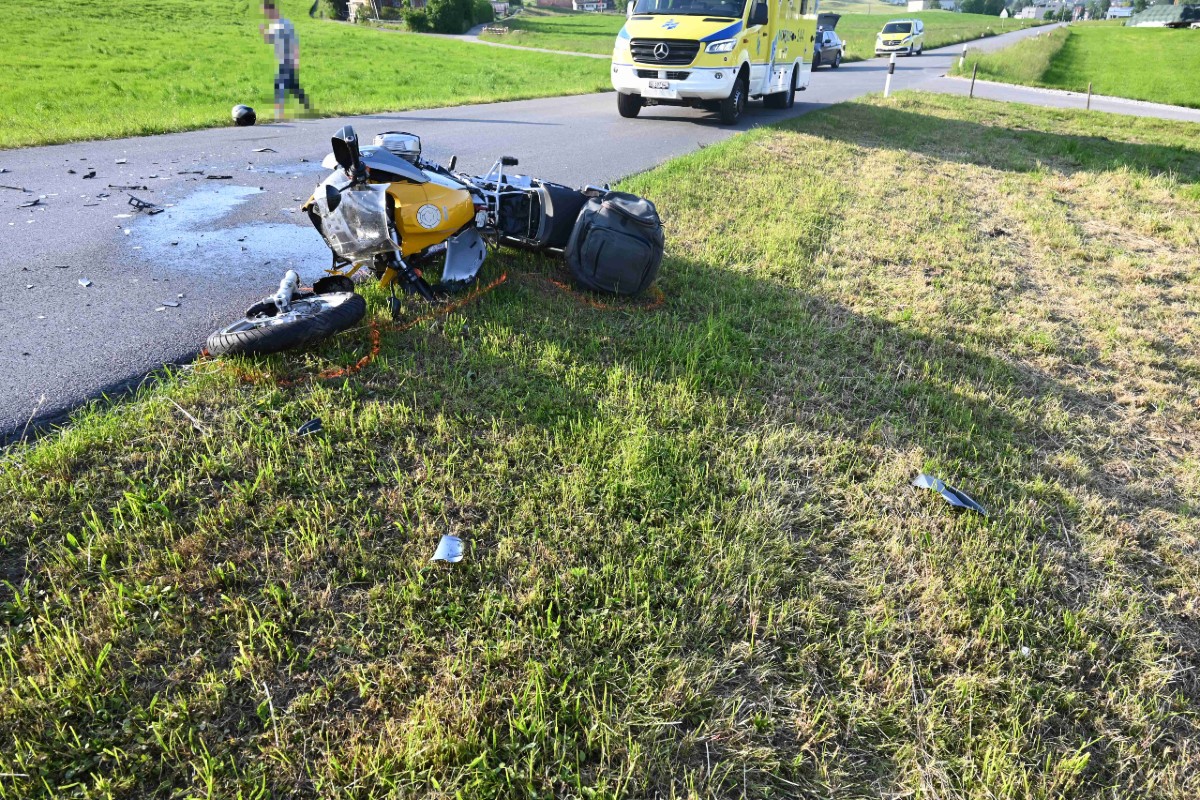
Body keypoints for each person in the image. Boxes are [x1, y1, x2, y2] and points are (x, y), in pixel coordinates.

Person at [260, 2, 311, 120]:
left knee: (279, 84)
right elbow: (269, 40)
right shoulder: (273, 25)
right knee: (294, 87)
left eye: (266, 12)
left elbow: (295, 42)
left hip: (288, 59)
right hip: (282, 60)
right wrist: (263, 32)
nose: (266, 15)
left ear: (272, 10)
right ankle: (308, 107)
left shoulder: (285, 24)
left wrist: (296, 59)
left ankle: (279, 114)